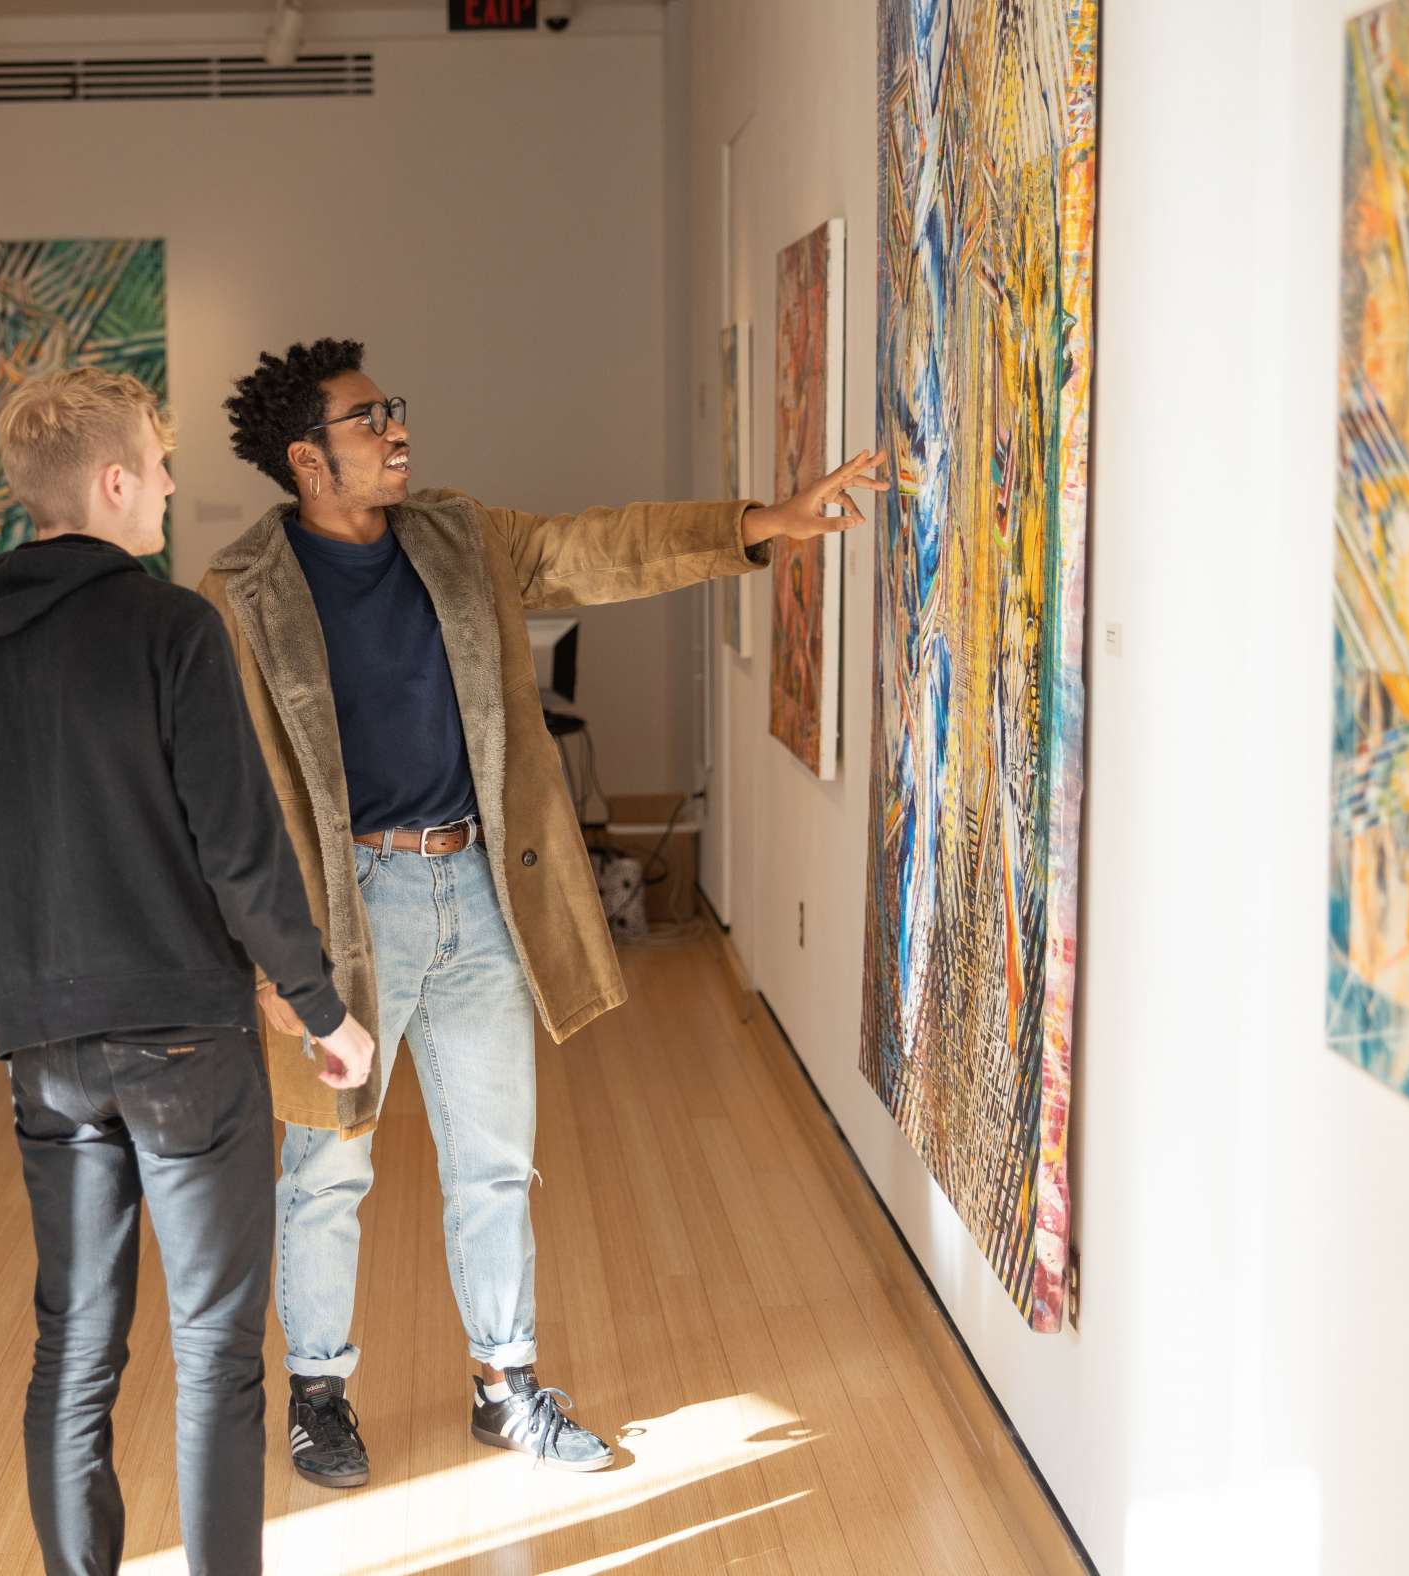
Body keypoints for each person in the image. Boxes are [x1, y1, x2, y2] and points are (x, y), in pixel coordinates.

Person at [202, 338, 884, 1487]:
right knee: (327, 1169)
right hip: (345, 916)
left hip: (479, 887)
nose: (398, 431)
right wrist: (268, 962)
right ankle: (318, 1391)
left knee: (496, 1160)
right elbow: (230, 792)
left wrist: (762, 523)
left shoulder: (460, 536)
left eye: (395, 411)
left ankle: (506, 1386)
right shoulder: (242, 593)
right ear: (305, 459)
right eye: (370, 421)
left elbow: (593, 547)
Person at [0, 367, 376, 1575]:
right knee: (216, 1350)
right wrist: (322, 1009)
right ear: (112, 483)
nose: (171, 484)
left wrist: (15, 1014)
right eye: (159, 466)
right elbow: (240, 846)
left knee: (73, 1348)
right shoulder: (171, 628)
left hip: (47, 1059)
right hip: (183, 1048)